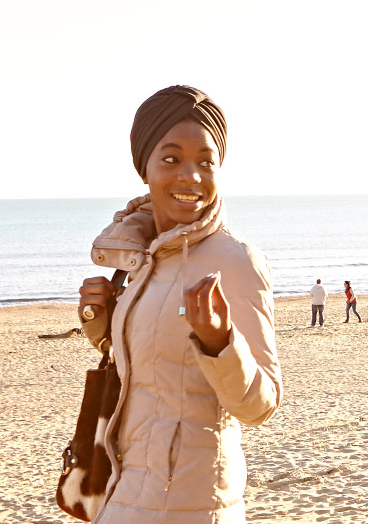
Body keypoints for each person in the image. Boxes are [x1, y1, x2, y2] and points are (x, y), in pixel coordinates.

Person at [74, 85, 281, 522]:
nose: (191, 176)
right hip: (124, 487)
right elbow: (153, 368)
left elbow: (261, 405)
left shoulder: (235, 259)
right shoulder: (143, 254)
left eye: (206, 162)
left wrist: (220, 343)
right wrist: (103, 327)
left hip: (193, 503)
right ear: (143, 168)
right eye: (172, 159)